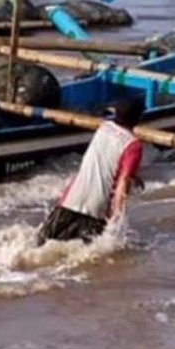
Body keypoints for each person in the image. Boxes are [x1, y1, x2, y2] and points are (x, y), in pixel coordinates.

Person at [37, 97, 145, 244]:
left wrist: (134, 174)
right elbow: (123, 183)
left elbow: (105, 157)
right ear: (139, 118)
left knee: (43, 245)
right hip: (96, 209)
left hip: (71, 198)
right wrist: (116, 221)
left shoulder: (104, 127)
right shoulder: (133, 145)